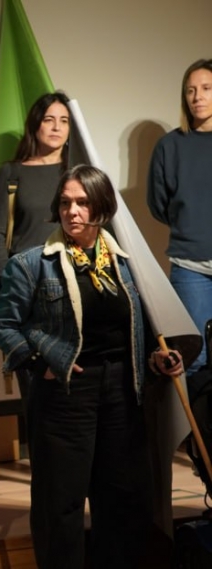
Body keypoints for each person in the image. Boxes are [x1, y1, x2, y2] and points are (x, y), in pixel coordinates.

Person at [0, 165, 184, 569]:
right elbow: (4, 325)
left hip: (122, 387)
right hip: (64, 391)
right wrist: (40, 360)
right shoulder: (32, 263)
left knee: (120, 494)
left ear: (102, 207)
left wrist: (156, 359)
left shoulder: (126, 263)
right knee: (61, 498)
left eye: (82, 203)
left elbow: (139, 326)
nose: (72, 211)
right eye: (65, 203)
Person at [149, 59, 212, 372]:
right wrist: (192, 225)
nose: (197, 97)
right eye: (190, 90)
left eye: (206, 88)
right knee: (193, 357)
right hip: (190, 267)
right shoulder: (169, 146)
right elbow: (158, 204)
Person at [0, 92, 72, 276]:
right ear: (35, 124)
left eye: (64, 121)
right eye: (48, 120)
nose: (57, 127)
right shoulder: (11, 172)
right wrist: (7, 276)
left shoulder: (78, 171)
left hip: (70, 271)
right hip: (25, 272)